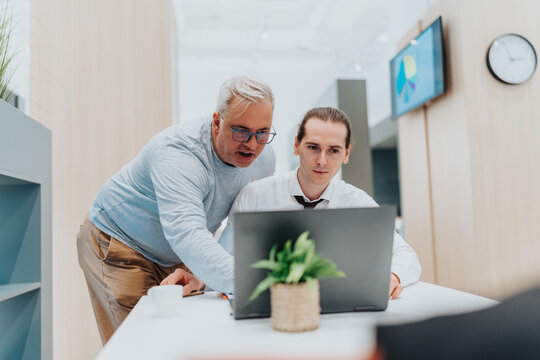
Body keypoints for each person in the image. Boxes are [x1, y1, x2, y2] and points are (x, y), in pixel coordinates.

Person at [77, 76, 277, 343]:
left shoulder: (263, 160)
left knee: (182, 339)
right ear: (217, 121)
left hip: (176, 253)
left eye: (262, 132)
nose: (252, 144)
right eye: (241, 131)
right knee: (140, 345)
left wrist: (208, 275)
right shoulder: (179, 154)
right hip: (120, 243)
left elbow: (241, 222)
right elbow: (187, 233)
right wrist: (256, 283)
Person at [163, 106, 421, 297]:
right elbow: (226, 257)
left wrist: (393, 276)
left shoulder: (357, 201)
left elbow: (405, 254)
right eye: (313, 147)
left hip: (338, 314)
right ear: (296, 146)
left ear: (346, 155)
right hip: (268, 314)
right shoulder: (255, 195)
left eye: (333, 151)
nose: (322, 160)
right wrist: (201, 280)